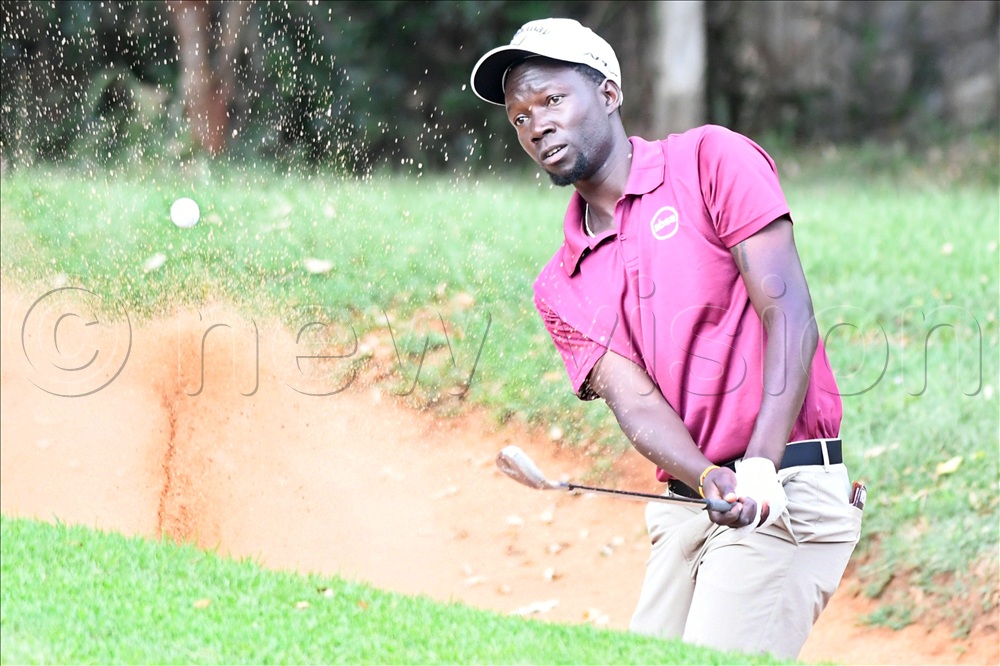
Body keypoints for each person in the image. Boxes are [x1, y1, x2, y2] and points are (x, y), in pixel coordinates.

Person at [471, 18, 864, 660]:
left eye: (552, 99)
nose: (536, 125)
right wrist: (707, 475)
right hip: (691, 506)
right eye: (520, 117)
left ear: (608, 93)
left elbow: (789, 314)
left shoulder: (710, 161)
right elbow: (636, 401)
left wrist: (759, 467)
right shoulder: (561, 283)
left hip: (786, 489)